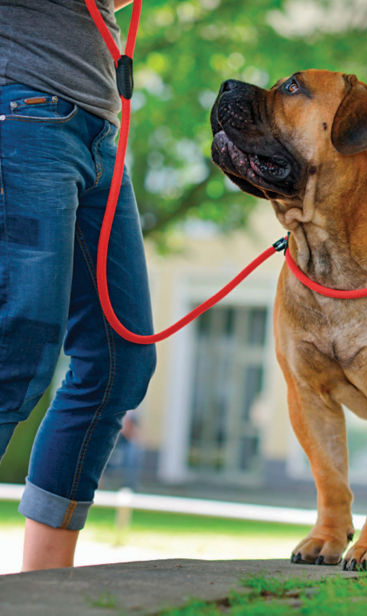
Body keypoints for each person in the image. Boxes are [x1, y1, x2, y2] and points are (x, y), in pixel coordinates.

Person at [0, 0, 156, 571]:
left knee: (119, 362)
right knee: (15, 354)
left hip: (98, 134)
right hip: (22, 111)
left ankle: (44, 589)